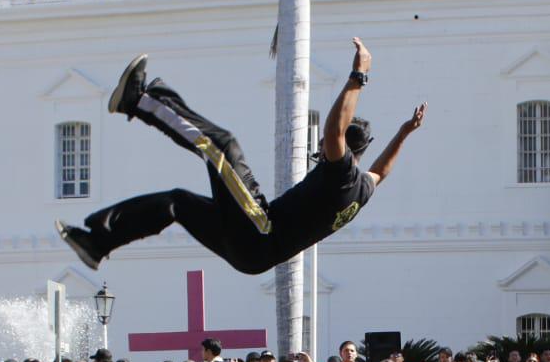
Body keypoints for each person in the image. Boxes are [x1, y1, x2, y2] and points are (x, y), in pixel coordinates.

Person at [57, 40, 426, 275]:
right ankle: (97, 242)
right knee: (178, 203)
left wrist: (358, 75)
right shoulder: (362, 190)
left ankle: (137, 100)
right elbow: (382, 170)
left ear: (345, 150)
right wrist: (405, 133)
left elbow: (334, 130)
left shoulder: (342, 172)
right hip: (253, 255)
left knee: (222, 147)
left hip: (260, 230)